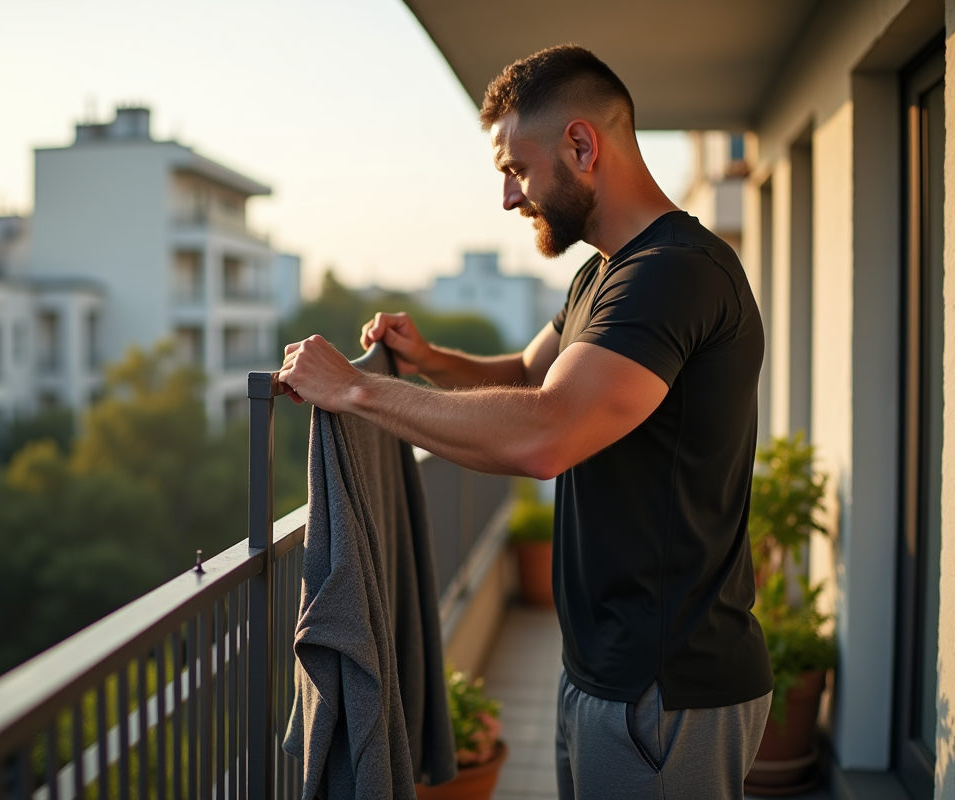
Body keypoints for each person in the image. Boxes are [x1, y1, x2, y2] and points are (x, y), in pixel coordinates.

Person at [279, 44, 773, 800]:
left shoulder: (672, 274)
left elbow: (546, 432)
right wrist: (428, 357)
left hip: (667, 687)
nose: (510, 198)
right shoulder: (604, 273)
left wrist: (357, 393)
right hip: (605, 671)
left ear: (581, 144)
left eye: (515, 169)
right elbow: (529, 375)